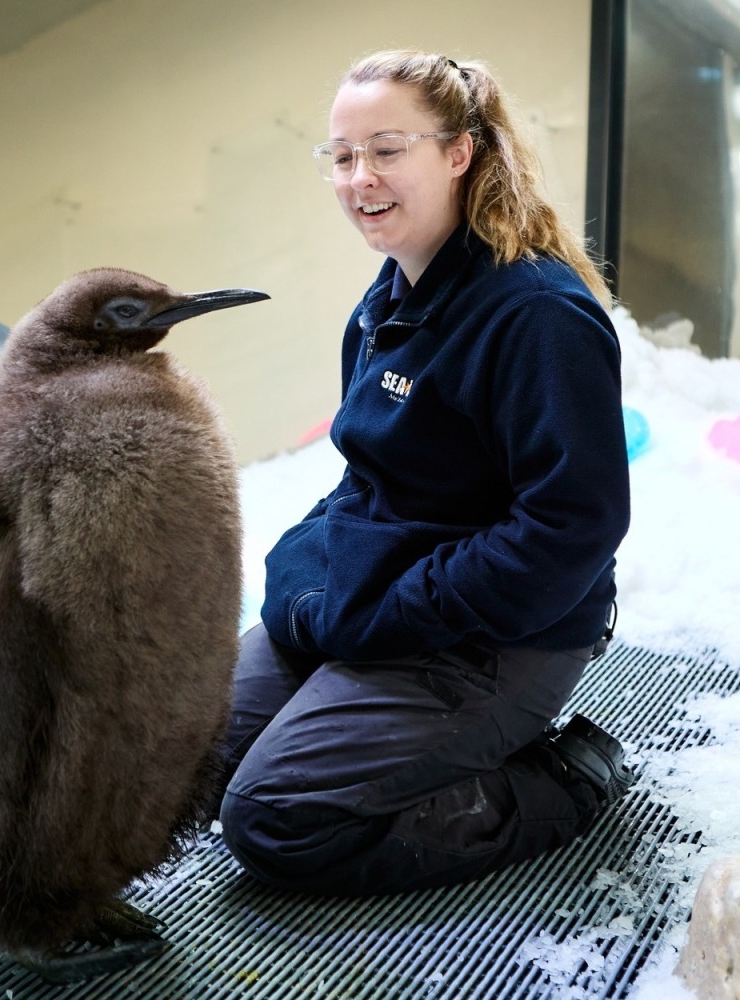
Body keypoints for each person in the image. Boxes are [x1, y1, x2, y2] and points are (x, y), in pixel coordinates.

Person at [216, 49, 634, 895]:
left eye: (386, 149)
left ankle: (561, 780)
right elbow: (364, 481)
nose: (358, 176)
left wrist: (390, 613)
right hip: (393, 604)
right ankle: (377, 723)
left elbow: (569, 530)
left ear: (458, 152)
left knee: (276, 817)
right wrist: (308, 580)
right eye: (341, 155)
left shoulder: (537, 316)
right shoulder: (389, 301)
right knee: (181, 753)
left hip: (503, 633)